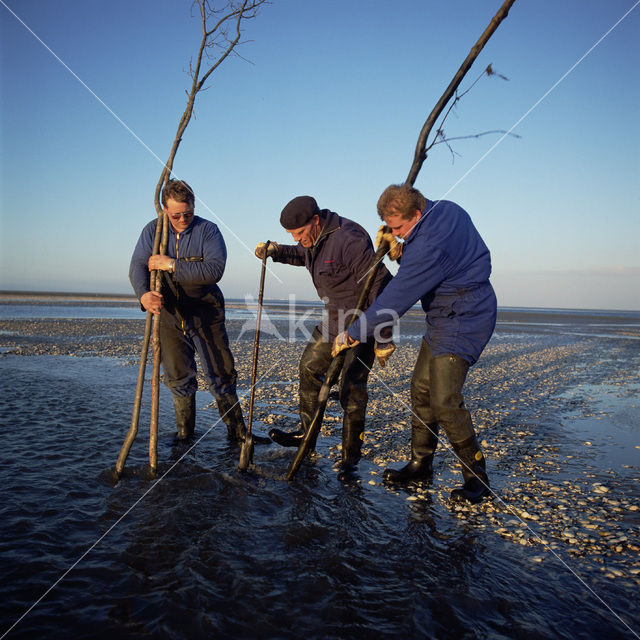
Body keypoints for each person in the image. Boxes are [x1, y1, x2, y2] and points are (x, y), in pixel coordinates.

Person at [332, 184, 497, 503]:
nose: (397, 233)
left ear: (417, 213)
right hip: (443, 313)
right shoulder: (447, 209)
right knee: (420, 389)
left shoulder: (429, 246)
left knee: (445, 400)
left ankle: (479, 481)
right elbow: (430, 261)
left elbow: (396, 298)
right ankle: (421, 464)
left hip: (466, 315)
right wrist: (398, 249)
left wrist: (353, 332)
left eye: (399, 228)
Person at [255, 195, 393, 480]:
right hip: (331, 323)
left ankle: (350, 460)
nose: (297, 238)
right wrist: (275, 251)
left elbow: (382, 283)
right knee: (308, 368)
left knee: (351, 392)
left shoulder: (349, 238)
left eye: (299, 233)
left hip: (360, 325)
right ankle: (307, 436)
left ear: (315, 221)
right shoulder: (313, 240)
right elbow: (300, 254)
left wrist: (383, 337)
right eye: (291, 235)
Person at [129, 179, 270, 445]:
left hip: (206, 312)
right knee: (178, 375)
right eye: (176, 215)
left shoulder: (208, 231)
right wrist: (144, 295)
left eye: (188, 213)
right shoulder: (153, 231)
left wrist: (172, 264)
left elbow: (213, 270)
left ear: (194, 206)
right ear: (164, 210)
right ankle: (185, 437)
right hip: (169, 316)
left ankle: (238, 434)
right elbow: (137, 265)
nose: (183, 219)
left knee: (220, 371)